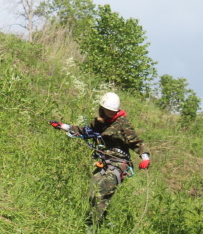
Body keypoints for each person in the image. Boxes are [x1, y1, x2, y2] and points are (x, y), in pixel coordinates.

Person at [50, 92, 150, 226]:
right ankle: (101, 221)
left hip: (119, 163)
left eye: (112, 111)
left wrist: (145, 158)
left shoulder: (122, 123)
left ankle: (91, 227)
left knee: (102, 192)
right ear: (102, 108)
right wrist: (63, 126)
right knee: (93, 192)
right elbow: (85, 132)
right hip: (104, 162)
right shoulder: (99, 123)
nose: (110, 113)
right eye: (107, 110)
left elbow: (136, 142)